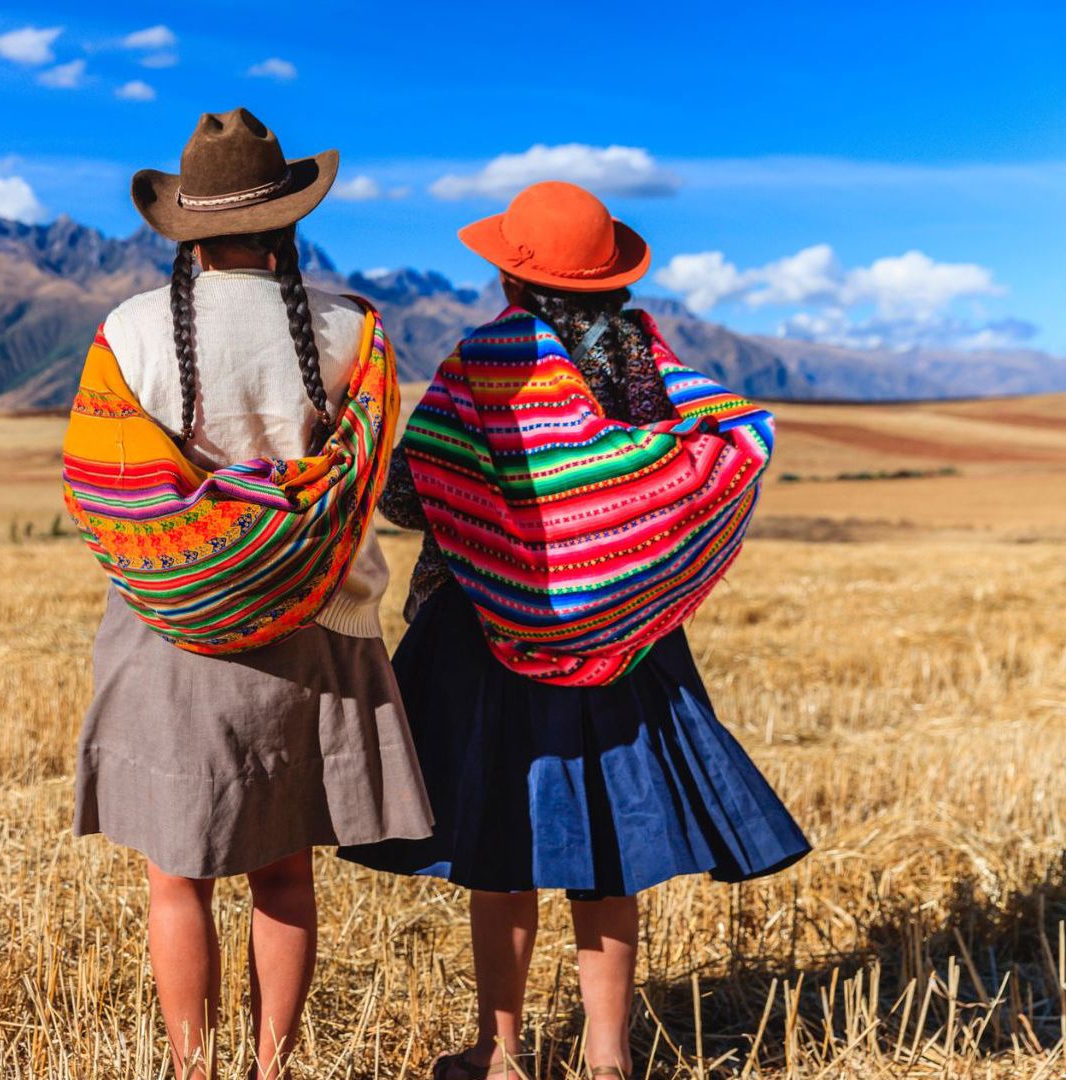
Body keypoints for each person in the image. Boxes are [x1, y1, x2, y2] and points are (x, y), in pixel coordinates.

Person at [341, 181, 811, 1080]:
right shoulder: (651, 364)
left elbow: (410, 491)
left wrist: (500, 513)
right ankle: (607, 1058)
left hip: (482, 636)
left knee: (500, 842)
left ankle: (500, 1052)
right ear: (612, 276)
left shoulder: (483, 361)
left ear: (512, 276)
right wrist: (611, 533)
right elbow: (711, 458)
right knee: (607, 848)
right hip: (628, 642)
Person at [60, 108, 433, 1080]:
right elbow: (374, 469)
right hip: (316, 635)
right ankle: (274, 1069)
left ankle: (193, 1070)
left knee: (175, 878)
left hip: (171, 641)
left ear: (187, 225)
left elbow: (100, 488)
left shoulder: (129, 334)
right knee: (285, 874)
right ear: (288, 220)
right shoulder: (353, 333)